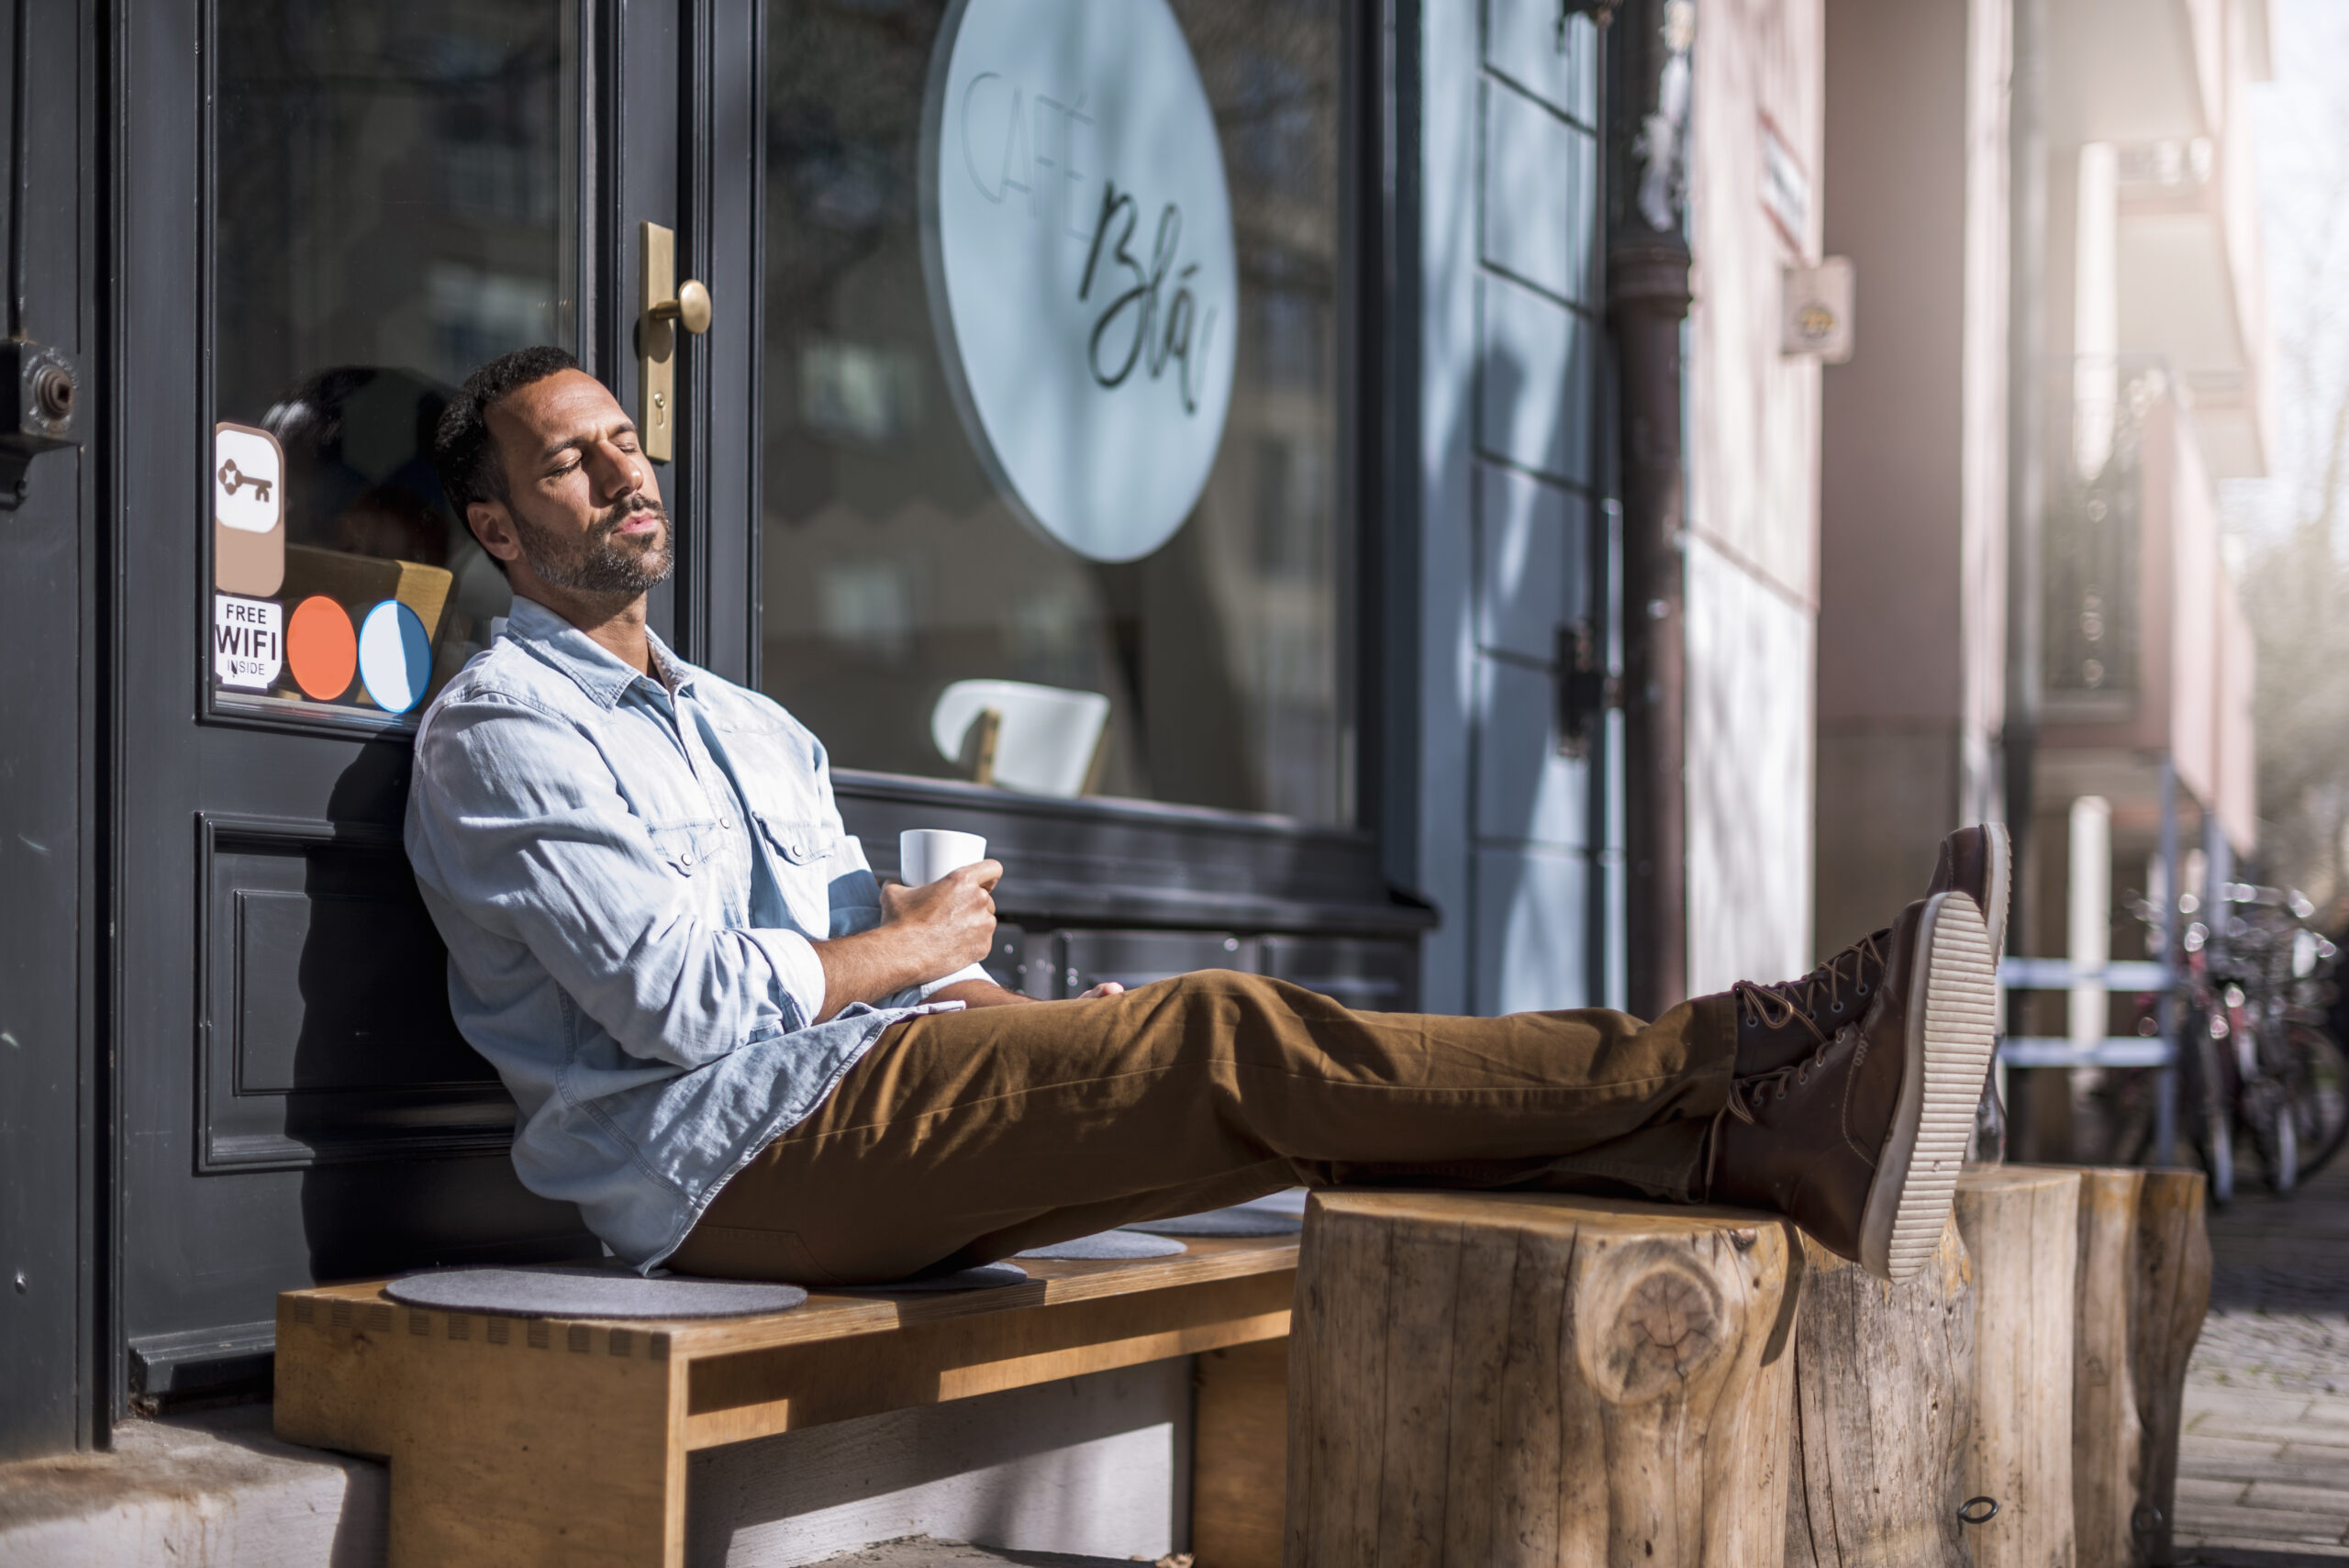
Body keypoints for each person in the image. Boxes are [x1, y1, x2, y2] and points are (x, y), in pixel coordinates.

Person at [405, 346, 2008, 1290]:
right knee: (1226, 1040)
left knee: (1248, 1098)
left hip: (869, 1098)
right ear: (498, 528)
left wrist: (1035, 1024)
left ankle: (1761, 1147)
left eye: (627, 439)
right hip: (721, 1176)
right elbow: (686, 1007)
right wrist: (915, 950)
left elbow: (874, 971)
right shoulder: (504, 732)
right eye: (570, 464)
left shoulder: (751, 724)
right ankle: (1748, 1042)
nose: (623, 472)